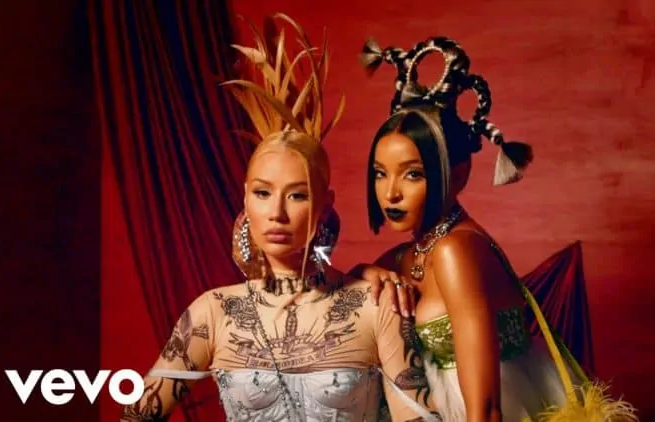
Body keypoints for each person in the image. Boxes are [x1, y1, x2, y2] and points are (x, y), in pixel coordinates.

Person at [120, 15, 439, 422]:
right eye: (262, 193)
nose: (277, 213)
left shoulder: (373, 306)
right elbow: (136, 416)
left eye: (297, 195)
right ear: (245, 199)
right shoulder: (213, 312)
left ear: (324, 204)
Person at [351, 36, 638, 422]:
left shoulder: (455, 251)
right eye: (380, 174)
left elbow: (486, 410)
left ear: (459, 174)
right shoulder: (408, 254)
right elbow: (344, 294)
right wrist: (366, 271)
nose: (391, 193)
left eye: (413, 174)